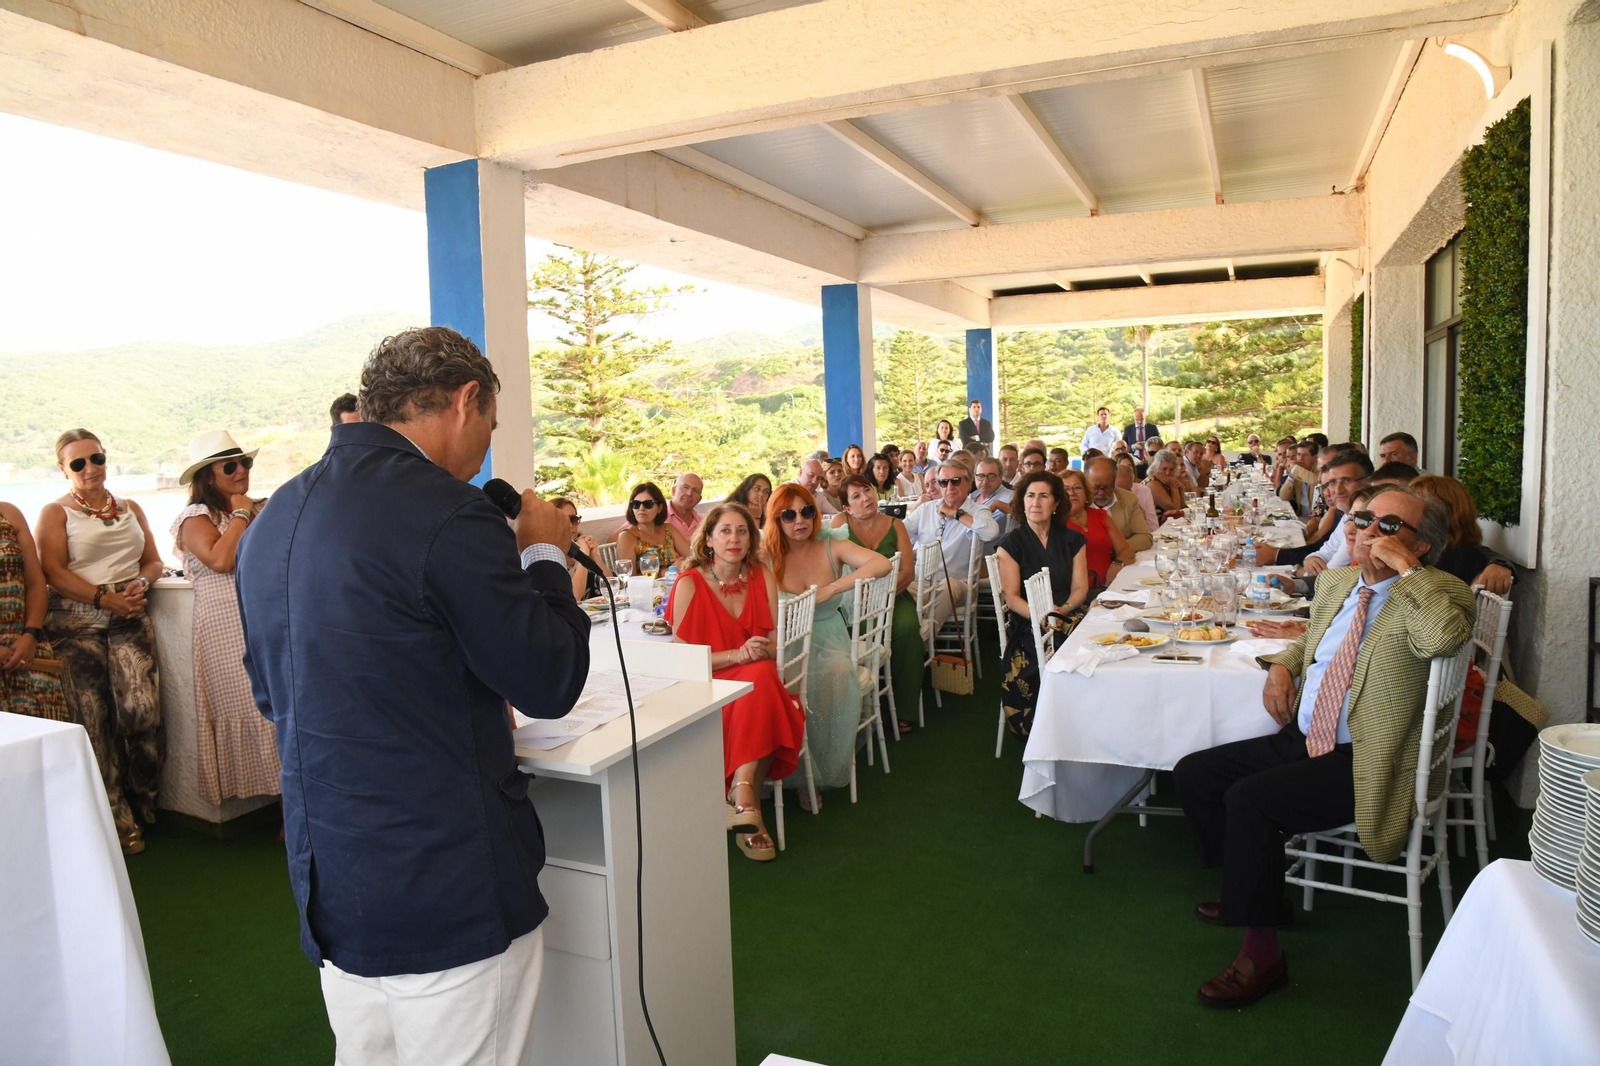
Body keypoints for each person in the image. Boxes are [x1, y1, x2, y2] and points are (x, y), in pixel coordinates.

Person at [235, 326, 591, 1062]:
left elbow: (273, 693)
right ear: (467, 400)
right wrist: (546, 553)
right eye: (490, 424)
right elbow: (550, 678)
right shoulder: (449, 513)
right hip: (444, 881)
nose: (485, 444)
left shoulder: (275, 518)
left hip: (333, 876)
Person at [1172, 485, 1474, 1009]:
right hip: (1304, 737)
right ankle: (1255, 888)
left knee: (1250, 800)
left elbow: (1444, 639)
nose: (1365, 530)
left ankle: (1261, 955)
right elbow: (1313, 637)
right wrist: (1285, 666)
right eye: (1362, 518)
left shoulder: (1441, 593)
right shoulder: (1338, 582)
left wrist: (1406, 575)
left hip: (1365, 759)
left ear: (1419, 546)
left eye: (1387, 525)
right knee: (1195, 773)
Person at [37, 429, 165, 855]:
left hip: (129, 614)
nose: (89, 468)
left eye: (96, 458)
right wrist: (101, 597)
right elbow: (52, 571)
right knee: (92, 719)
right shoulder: (55, 514)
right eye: (78, 463)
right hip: (77, 622)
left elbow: (153, 559)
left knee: (141, 711)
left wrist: (141, 584)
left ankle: (143, 800)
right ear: (63, 469)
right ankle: (114, 817)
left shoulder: (130, 508)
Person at [669, 501, 807, 862]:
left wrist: (761, 651)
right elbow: (680, 661)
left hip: (754, 675)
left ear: (751, 539)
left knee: (759, 679)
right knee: (761, 685)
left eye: (742, 531)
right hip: (707, 682)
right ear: (709, 539)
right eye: (725, 531)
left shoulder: (763, 575)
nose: (734, 538)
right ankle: (746, 796)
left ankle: (742, 798)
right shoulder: (689, 583)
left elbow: (777, 640)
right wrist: (736, 656)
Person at [170, 430, 280, 807]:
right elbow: (220, 560)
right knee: (253, 706)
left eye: (244, 462)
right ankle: (283, 811)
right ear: (208, 476)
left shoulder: (260, 508)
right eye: (229, 465)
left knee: (280, 705)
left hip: (265, 619)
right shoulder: (195, 517)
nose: (240, 470)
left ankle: (293, 808)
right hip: (225, 630)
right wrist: (240, 512)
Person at [764, 484, 891, 807]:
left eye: (807, 511)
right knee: (771, 684)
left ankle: (814, 774)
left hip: (826, 634)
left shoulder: (831, 543)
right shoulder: (766, 552)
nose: (799, 521)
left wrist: (833, 588)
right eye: (788, 515)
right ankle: (767, 770)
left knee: (833, 675)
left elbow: (881, 564)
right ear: (776, 520)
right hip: (782, 641)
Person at [995, 472, 1088, 740]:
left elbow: (1080, 587)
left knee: (1093, 644)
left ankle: (1083, 717)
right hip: (1029, 620)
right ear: (1022, 503)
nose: (1036, 502)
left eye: (1044, 496)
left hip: (1068, 613)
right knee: (1061, 645)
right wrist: (1041, 616)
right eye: (1030, 496)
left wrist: (1067, 608)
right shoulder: (1011, 544)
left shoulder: (1073, 539)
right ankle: (1054, 727)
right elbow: (1012, 597)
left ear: (1056, 503)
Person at [832, 476, 922, 735]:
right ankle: (858, 705)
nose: (866, 498)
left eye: (867, 491)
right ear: (847, 508)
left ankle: (904, 707)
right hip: (851, 600)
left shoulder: (896, 524)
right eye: (856, 496)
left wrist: (884, 597)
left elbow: (907, 572)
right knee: (843, 634)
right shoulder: (840, 524)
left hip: (895, 595)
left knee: (906, 628)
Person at [905, 460, 1002, 625]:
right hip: (922, 581)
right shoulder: (926, 509)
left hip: (959, 584)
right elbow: (899, 532)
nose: (949, 486)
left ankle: (923, 639)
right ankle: (919, 633)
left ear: (968, 483)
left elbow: (991, 532)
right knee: (897, 588)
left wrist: (956, 513)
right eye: (943, 482)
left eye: (955, 481)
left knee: (949, 586)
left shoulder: (978, 511)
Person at [0, 500, 70, 723]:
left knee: (47, 742)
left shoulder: (8, 513)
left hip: (25, 650)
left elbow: (35, 582)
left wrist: (31, 634)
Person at [1410, 475, 1515, 593]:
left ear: (1449, 512)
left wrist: (1500, 564)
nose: (1406, 510)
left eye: (1417, 504)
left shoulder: (1461, 558)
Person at [1061, 467, 1133, 587]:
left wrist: (1116, 565)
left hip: (1111, 586)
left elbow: (1126, 550)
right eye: (1065, 489)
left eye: (1077, 488)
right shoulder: (1056, 524)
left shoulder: (1100, 516)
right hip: (1076, 593)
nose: (1071, 493)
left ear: (1086, 492)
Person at [617, 481, 691, 573]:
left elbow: (693, 556)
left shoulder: (668, 529)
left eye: (648, 504)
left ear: (659, 508)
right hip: (645, 587)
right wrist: (664, 572)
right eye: (636, 504)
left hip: (676, 585)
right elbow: (628, 580)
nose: (641, 508)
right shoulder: (627, 536)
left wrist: (683, 564)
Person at [1085, 455, 1152, 552]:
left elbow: (1145, 537)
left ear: (1114, 482)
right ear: (1086, 482)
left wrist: (1115, 547)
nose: (1101, 493)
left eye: (1107, 487)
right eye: (1096, 487)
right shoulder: (1077, 502)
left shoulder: (1129, 499)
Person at [552, 499, 609, 600]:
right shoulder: (549, 557)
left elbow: (611, 588)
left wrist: (595, 556)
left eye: (574, 519)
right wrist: (583, 558)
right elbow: (573, 597)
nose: (570, 525)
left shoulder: (584, 544)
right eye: (563, 520)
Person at [1115, 453, 1160, 536]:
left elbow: (1153, 528)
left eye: (1129, 466)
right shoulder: (1109, 496)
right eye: (1122, 467)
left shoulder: (1143, 490)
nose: (1126, 470)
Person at [1145, 449, 1187, 521]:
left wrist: (1182, 488)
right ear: (1155, 467)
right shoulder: (1152, 483)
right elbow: (1175, 511)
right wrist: (1174, 487)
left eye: (1171, 469)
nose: (1167, 473)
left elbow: (1183, 507)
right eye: (1164, 469)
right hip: (1157, 528)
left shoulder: (1167, 482)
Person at [665, 472, 704, 540]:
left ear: (699, 499)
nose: (689, 493)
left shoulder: (704, 523)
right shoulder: (660, 519)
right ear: (674, 491)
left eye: (695, 490)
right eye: (685, 487)